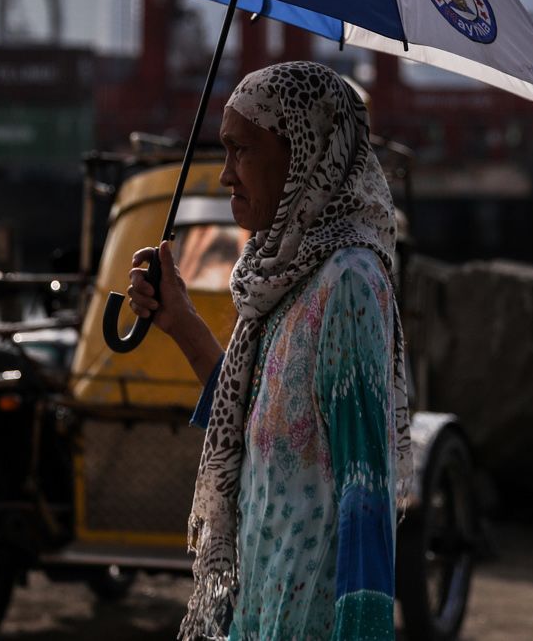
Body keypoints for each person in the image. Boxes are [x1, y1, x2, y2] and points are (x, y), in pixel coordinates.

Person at [127, 60, 410, 641]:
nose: (226, 174)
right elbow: (255, 416)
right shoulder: (281, 278)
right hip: (259, 607)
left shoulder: (348, 282)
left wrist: (364, 628)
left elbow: (366, 483)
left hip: (312, 617)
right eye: (223, 150)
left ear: (304, 154)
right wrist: (180, 321)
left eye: (241, 150)